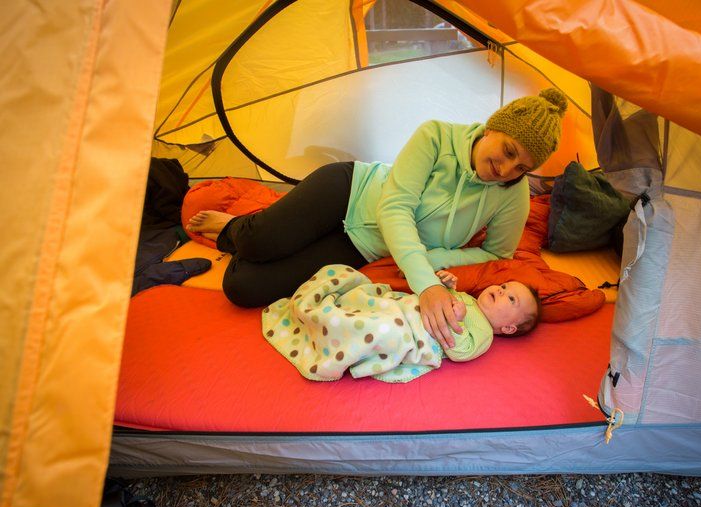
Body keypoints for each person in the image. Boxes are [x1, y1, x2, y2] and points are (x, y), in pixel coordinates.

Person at [187, 88, 567, 350]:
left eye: (522, 167)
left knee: (243, 288)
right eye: (508, 151)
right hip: (349, 191)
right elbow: (395, 207)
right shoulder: (435, 136)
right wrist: (426, 284)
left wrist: (434, 260)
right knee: (258, 242)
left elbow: (496, 253)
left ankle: (265, 233)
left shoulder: (512, 192)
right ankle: (235, 227)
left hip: (364, 245)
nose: (506, 169)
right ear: (493, 128)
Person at [262, 265, 541, 383]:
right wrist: (445, 286)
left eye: (512, 299)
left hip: (412, 333)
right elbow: (430, 297)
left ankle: (333, 328)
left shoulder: (483, 335)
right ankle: (336, 310)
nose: (502, 291)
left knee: (384, 329)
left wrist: (456, 319)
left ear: (508, 328)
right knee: (359, 288)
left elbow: (461, 351)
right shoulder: (466, 296)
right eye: (504, 286)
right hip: (402, 307)